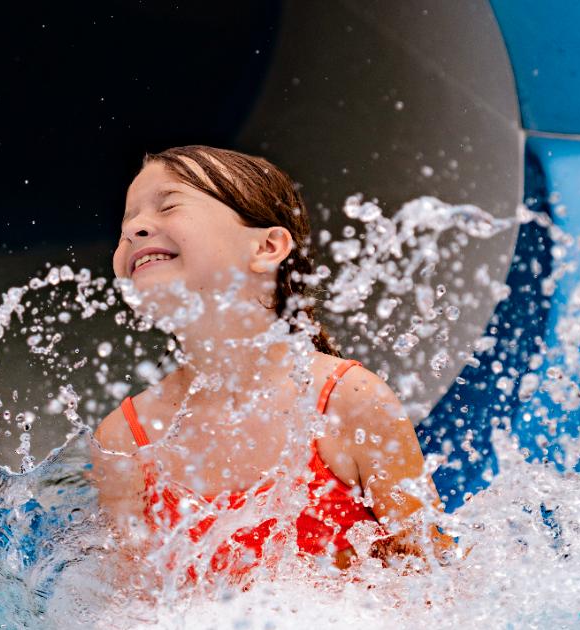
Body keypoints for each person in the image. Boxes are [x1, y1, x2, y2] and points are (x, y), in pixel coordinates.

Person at [90, 145, 453, 586]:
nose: (135, 229)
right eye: (126, 223)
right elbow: (133, 603)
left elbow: (433, 577)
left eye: (168, 206)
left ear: (266, 246)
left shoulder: (348, 402)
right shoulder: (125, 438)